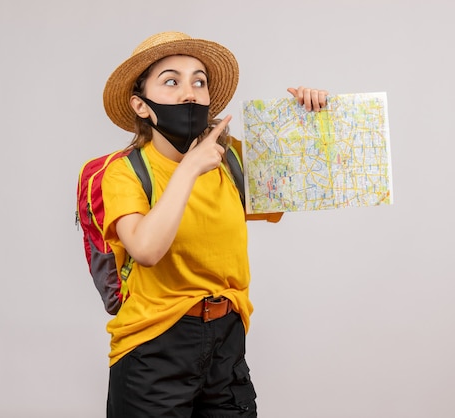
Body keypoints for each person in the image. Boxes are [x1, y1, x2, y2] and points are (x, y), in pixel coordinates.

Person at [100, 31, 327, 417]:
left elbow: (301, 190)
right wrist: (189, 168)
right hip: (154, 349)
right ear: (141, 105)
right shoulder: (124, 172)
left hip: (227, 345)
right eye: (171, 81)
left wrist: (309, 121)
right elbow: (147, 250)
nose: (189, 92)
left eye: (199, 81)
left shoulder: (232, 159)